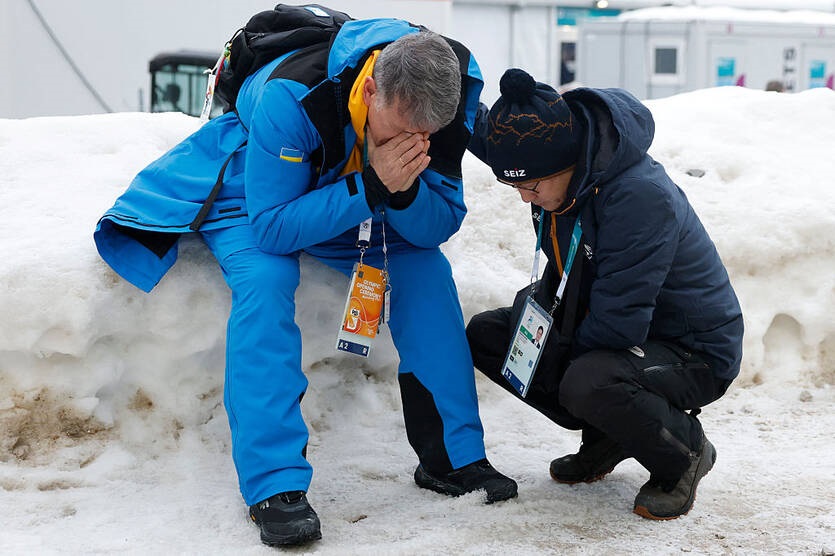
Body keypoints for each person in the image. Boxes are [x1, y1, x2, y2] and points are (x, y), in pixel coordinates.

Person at [94, 15, 516, 547]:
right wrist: (372, 185)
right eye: (401, 130)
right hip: (258, 191)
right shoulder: (290, 97)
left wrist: (403, 189)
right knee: (265, 281)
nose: (413, 144)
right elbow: (271, 228)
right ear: (370, 90)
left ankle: (454, 458)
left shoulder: (441, 104)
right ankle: (274, 486)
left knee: (427, 271)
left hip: (358, 192)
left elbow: (438, 226)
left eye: (424, 136)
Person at [467, 68, 743, 520]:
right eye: (515, 186)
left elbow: (619, 322)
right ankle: (612, 434)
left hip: (691, 349)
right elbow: (486, 133)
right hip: (615, 327)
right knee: (489, 336)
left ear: (568, 162)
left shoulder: (638, 197)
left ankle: (683, 453)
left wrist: (555, 358)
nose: (525, 199)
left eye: (531, 186)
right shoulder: (557, 166)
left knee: (586, 381)